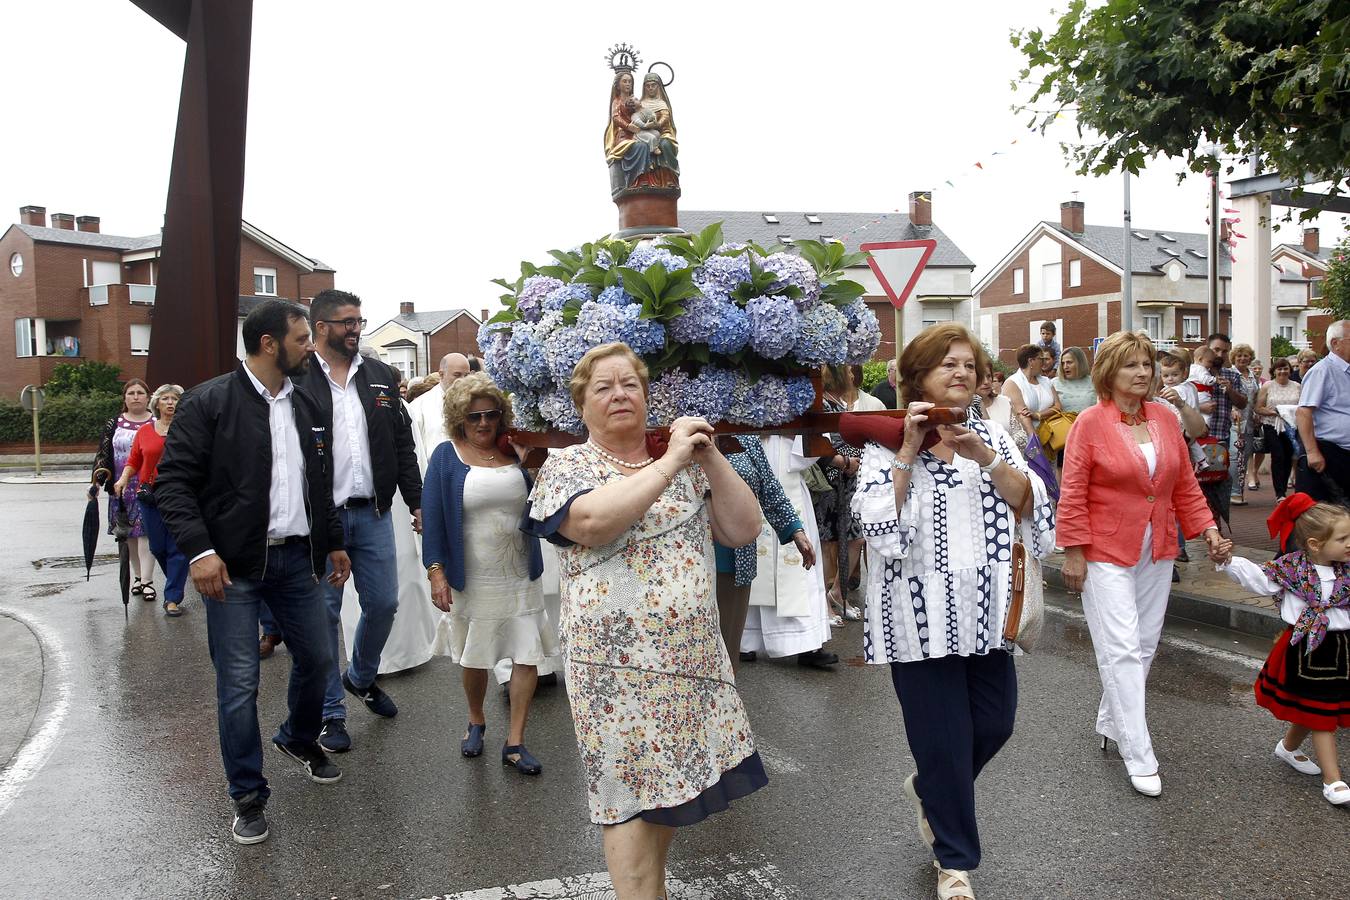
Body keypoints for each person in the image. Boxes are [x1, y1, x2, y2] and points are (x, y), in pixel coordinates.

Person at [524, 343, 763, 898]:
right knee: (626, 796)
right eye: (602, 387)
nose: (619, 395)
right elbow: (592, 523)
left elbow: (743, 528)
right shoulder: (566, 467)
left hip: (690, 660)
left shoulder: (681, 461)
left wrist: (708, 455)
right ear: (580, 405)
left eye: (629, 383)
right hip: (615, 670)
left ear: (647, 395)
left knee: (666, 792)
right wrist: (672, 461)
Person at [851, 323, 1055, 900]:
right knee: (943, 740)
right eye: (947, 364)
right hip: (915, 621)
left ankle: (931, 790)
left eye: (968, 363)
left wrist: (986, 456)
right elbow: (877, 526)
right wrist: (909, 453)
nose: (961, 372)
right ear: (918, 378)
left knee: (995, 724)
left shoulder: (996, 434)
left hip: (987, 615)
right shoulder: (884, 445)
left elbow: (1033, 503)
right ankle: (955, 863)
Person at [155, 299, 351, 846]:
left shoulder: (308, 401)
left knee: (317, 658)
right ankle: (247, 794)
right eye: (302, 338)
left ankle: (297, 736)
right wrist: (199, 552)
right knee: (239, 684)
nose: (311, 346)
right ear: (270, 344)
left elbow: (320, 481)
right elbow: (172, 484)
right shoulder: (209, 402)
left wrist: (333, 541)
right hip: (232, 568)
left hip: (296, 561)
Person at [1058, 330, 1225, 799]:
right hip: (1105, 547)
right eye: (1132, 364)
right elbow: (1073, 492)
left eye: (1147, 364)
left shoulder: (1165, 419)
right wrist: (1073, 550)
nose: (1143, 372)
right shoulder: (1090, 422)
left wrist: (1208, 529)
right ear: (1108, 372)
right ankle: (1140, 753)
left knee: (1146, 644)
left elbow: (1184, 485)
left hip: (1158, 545)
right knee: (1123, 649)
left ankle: (1112, 720)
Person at [301, 290, 423, 753]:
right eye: (346, 322)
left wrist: (416, 500)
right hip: (321, 520)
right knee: (325, 618)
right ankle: (332, 714)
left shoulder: (380, 378)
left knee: (384, 603)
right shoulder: (298, 379)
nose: (355, 329)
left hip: (372, 512)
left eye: (358, 321)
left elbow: (402, 445)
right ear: (320, 328)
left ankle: (361, 677)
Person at [423, 374, 556, 774]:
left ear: (501, 416)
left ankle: (515, 742)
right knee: (475, 656)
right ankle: (476, 719)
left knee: (526, 651)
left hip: (519, 572)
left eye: (491, 415)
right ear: (459, 418)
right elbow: (432, 517)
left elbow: (547, 499)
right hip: (472, 574)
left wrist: (530, 459)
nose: (483, 423)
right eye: (473, 416)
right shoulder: (447, 457)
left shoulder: (515, 453)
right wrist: (436, 571)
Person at [1215, 496, 1350, 806]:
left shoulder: (1347, 572)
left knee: (1317, 709)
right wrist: (1228, 560)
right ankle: (1333, 780)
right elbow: (1258, 579)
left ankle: (1288, 748)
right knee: (1321, 715)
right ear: (1315, 544)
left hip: (1341, 650)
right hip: (1305, 650)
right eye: (1342, 538)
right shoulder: (1292, 569)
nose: (1348, 544)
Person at [713, 436, 818, 672]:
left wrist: (794, 530)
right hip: (687, 560)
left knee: (726, 654)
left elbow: (768, 486)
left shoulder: (743, 437)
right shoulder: (675, 433)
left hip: (736, 560)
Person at [739, 435, 836, 668]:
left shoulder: (796, 403)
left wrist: (791, 430)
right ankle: (745, 639)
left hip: (788, 479)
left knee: (800, 567)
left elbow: (816, 443)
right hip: (746, 479)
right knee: (750, 557)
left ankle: (806, 643)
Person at [112, 384, 189, 617]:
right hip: (149, 496)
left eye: (174, 399)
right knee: (157, 547)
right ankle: (175, 583)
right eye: (165, 398)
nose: (170, 402)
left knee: (177, 548)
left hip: (179, 494)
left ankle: (172, 597)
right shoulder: (145, 432)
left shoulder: (187, 429)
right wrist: (123, 479)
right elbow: (134, 459)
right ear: (156, 403)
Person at [90, 379, 155, 600]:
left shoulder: (157, 423)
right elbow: (102, 455)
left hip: (149, 488)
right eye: (131, 393)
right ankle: (137, 577)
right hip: (120, 487)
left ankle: (148, 581)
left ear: (148, 397)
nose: (136, 397)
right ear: (124, 398)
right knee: (129, 537)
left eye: (140, 393)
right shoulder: (114, 423)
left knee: (147, 534)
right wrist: (96, 483)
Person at [814, 365, 864, 625]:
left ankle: (838, 593)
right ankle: (824, 604)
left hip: (849, 479)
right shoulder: (821, 402)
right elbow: (818, 442)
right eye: (848, 371)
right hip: (831, 480)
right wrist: (842, 461)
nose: (852, 375)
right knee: (825, 542)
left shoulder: (840, 401)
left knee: (855, 537)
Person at [1296, 321, 1350, 504]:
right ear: (1335, 343)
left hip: (1345, 454)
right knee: (1323, 515)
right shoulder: (1322, 371)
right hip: (1328, 453)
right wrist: (1312, 452)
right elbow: (1304, 412)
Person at [1197, 333, 1248, 525]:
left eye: (1224, 351)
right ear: (1207, 348)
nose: (1219, 354)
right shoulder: (1192, 373)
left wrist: (1230, 391)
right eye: (1216, 349)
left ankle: (1215, 523)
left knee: (1216, 482)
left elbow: (1243, 403)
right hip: (1194, 438)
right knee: (1193, 485)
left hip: (1218, 438)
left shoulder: (1232, 375)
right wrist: (1199, 407)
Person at [409, 353, 470, 464]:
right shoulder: (419, 407)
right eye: (457, 375)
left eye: (466, 375)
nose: (463, 380)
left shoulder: (475, 404)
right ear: (441, 374)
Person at [1255, 358, 1302, 499]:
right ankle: (1279, 493)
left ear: (1290, 370)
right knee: (1278, 456)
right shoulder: (1268, 386)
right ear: (1274, 371)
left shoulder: (1297, 386)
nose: (1282, 371)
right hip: (1272, 425)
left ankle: (1284, 486)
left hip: (1291, 427)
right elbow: (1258, 408)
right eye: (1279, 369)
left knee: (1289, 457)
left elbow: (1303, 406)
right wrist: (1273, 412)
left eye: (1285, 368)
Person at [1002, 343, 1060, 440]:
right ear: (1031, 361)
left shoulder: (1046, 381)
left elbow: (1058, 407)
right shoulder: (1012, 383)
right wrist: (1035, 445)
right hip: (1028, 440)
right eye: (1041, 359)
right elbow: (1023, 417)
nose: (1044, 362)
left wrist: (1038, 415)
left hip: (1052, 438)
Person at [1227, 343, 1261, 504]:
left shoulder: (1253, 375)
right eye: (1239, 356)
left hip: (1249, 419)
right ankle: (1233, 492)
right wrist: (1232, 409)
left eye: (1246, 355)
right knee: (1235, 455)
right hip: (1235, 420)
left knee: (1246, 454)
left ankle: (1239, 490)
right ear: (1233, 358)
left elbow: (1254, 397)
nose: (1242, 358)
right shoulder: (1230, 374)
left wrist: (1255, 414)